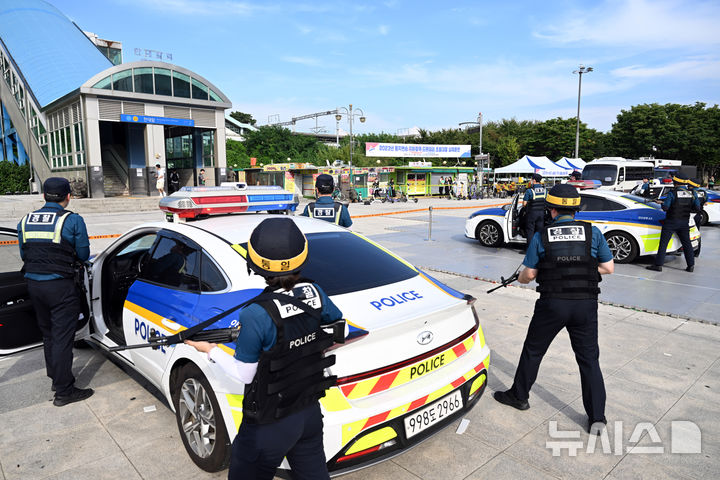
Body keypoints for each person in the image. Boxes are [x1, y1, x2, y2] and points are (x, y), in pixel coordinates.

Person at [185, 218, 342, 479]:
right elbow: (338, 326)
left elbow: (245, 375)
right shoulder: (315, 292)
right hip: (308, 413)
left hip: (269, 423)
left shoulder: (256, 313)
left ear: (256, 264)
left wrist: (210, 350)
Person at [494, 184, 614, 434]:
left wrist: (524, 278)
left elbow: (529, 274)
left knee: (534, 350)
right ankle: (597, 418)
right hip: (585, 305)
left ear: (551, 210)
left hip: (552, 304)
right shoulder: (594, 234)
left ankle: (519, 396)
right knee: (589, 360)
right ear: (576, 210)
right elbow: (608, 267)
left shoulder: (542, 236)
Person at [17, 177, 93, 407]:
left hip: (34, 285)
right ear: (68, 196)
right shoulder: (72, 221)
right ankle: (64, 391)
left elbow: (24, 254)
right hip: (60, 287)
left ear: (43, 196)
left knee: (48, 335)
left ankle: (55, 378)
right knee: (62, 338)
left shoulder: (25, 221)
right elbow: (83, 254)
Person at [646, 173, 700, 272]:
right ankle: (691, 266)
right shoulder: (691, 193)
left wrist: (663, 203)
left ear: (675, 182)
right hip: (684, 222)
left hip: (671, 222)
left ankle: (658, 265)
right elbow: (697, 207)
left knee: (663, 243)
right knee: (687, 244)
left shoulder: (672, 193)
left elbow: (666, 208)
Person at [522, 173, 547, 249]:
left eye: (531, 179)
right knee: (539, 231)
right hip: (542, 214)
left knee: (530, 231)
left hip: (532, 214)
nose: (531, 181)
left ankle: (530, 250)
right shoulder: (545, 190)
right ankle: (539, 248)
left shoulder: (530, 191)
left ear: (534, 180)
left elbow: (524, 204)